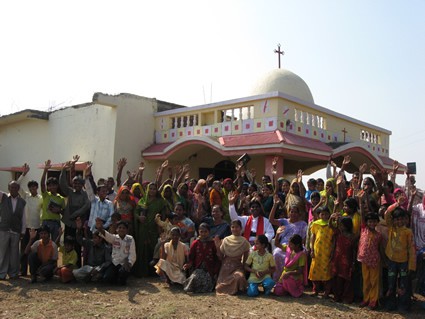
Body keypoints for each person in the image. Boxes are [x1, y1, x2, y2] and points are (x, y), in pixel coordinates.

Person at [384, 207, 416, 311]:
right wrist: (397, 204)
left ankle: (403, 305)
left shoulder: (408, 232)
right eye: (397, 219)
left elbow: (411, 249)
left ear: (405, 219)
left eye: (401, 219)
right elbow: (387, 214)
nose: (399, 221)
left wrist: (411, 265)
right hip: (392, 261)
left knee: (403, 285)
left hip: (403, 262)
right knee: (391, 283)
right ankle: (390, 304)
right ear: (394, 220)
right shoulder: (391, 228)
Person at [59, 160, 90, 267]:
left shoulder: (85, 194)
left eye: (78, 183)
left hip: (78, 223)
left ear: (82, 184)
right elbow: (62, 184)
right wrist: (63, 170)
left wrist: (76, 214)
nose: (76, 185)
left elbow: (86, 206)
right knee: (68, 244)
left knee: (77, 244)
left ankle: (77, 266)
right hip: (69, 223)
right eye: (75, 183)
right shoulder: (70, 192)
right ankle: (67, 266)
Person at [133, 182, 168, 277]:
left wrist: (161, 223)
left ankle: (154, 272)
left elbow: (164, 214)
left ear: (157, 190)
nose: (152, 190)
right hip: (143, 228)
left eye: (154, 189)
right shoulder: (142, 200)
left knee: (154, 249)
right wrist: (139, 218)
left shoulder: (160, 202)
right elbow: (136, 211)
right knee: (142, 249)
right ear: (147, 190)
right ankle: (142, 272)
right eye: (150, 188)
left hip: (154, 228)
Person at [269, 195, 307, 282]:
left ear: (299, 213)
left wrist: (302, 248)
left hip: (297, 248)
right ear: (288, 213)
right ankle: (277, 280)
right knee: (276, 253)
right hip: (285, 246)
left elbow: (304, 239)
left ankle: (295, 280)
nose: (293, 214)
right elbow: (271, 220)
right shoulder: (284, 221)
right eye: (291, 212)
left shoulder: (303, 224)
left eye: (295, 212)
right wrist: (275, 205)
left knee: (303, 252)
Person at [16, 164, 43, 277]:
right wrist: (23, 174)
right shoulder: (25, 196)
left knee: (36, 250)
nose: (32, 189)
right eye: (30, 187)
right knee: (24, 249)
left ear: (37, 188)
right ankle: (23, 271)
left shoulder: (41, 198)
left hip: (37, 227)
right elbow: (16, 185)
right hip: (26, 227)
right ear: (29, 189)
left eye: (34, 187)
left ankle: (35, 271)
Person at [215, 220, 251, 295]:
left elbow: (245, 260)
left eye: (237, 227)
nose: (235, 229)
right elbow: (221, 257)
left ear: (241, 228)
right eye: (233, 227)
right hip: (225, 268)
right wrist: (218, 247)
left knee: (239, 277)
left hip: (237, 267)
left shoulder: (244, 242)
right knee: (219, 288)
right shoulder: (226, 240)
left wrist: (244, 272)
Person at [183, 223, 221, 293]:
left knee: (208, 280)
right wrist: (189, 264)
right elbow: (191, 257)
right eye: (201, 232)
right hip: (198, 268)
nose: (203, 234)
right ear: (198, 232)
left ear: (209, 232)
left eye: (205, 232)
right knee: (195, 277)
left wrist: (215, 271)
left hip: (209, 270)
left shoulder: (213, 243)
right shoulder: (195, 243)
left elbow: (216, 258)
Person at [0, 181, 26, 280]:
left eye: (15, 187)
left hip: (16, 230)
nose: (13, 189)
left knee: (14, 254)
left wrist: (23, 231)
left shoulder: (22, 201)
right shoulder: (3, 197)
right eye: (11, 187)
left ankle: (13, 273)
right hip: (4, 229)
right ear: (8, 188)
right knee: (3, 253)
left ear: (18, 188)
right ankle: (1, 274)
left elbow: (23, 217)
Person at [97, 220, 136, 285]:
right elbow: (106, 235)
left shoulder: (130, 239)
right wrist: (100, 228)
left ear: (126, 230)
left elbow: (132, 253)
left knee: (122, 278)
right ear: (117, 230)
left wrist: (129, 264)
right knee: (106, 278)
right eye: (120, 228)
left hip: (125, 264)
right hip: (114, 263)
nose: (121, 229)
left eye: (123, 228)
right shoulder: (114, 238)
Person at [73, 217, 112, 282]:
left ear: (101, 239)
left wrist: (99, 268)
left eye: (95, 238)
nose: (94, 240)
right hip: (88, 268)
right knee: (75, 273)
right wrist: (79, 229)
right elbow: (80, 240)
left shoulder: (106, 248)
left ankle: (91, 277)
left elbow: (108, 261)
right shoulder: (90, 243)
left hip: (98, 268)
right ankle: (90, 277)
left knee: (100, 276)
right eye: (93, 238)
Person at [357, 211, 383, 310]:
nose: (372, 224)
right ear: (367, 222)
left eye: (374, 222)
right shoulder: (364, 229)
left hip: (374, 261)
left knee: (374, 281)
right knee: (366, 281)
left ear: (377, 222)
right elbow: (363, 216)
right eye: (370, 222)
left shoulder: (379, 235)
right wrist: (360, 201)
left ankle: (373, 301)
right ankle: (366, 299)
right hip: (364, 259)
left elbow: (379, 248)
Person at [329, 215, 356, 303]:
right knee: (336, 279)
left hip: (347, 259)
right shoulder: (338, 233)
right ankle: (337, 296)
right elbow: (330, 225)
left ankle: (346, 297)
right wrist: (332, 217)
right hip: (337, 258)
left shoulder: (352, 236)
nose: (340, 226)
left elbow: (354, 250)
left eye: (342, 225)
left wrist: (353, 262)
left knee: (346, 278)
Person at [309, 206, 334, 297]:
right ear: (319, 215)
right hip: (317, 251)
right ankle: (315, 290)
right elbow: (313, 237)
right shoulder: (315, 224)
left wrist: (332, 251)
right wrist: (312, 249)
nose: (324, 216)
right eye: (322, 214)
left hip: (327, 252)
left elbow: (333, 239)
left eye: (326, 214)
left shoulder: (332, 224)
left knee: (326, 272)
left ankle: (326, 292)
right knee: (314, 271)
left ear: (329, 215)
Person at [40, 160, 65, 241]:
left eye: (54, 185)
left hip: (56, 222)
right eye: (50, 186)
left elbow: (64, 212)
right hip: (46, 222)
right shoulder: (46, 195)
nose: (52, 187)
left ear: (57, 186)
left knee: (55, 243)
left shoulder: (61, 198)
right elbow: (42, 184)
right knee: (44, 242)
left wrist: (59, 210)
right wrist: (45, 170)